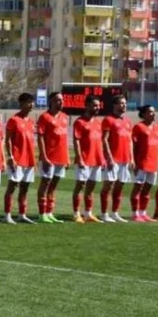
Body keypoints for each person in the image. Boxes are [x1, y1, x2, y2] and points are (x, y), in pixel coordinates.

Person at [3, 92, 37, 225]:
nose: (32, 104)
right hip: (17, 159)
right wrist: (10, 156)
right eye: (29, 102)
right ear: (21, 104)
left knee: (25, 188)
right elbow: (8, 140)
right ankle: (7, 215)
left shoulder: (31, 121)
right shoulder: (13, 120)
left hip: (29, 160)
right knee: (12, 187)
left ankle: (22, 214)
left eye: (32, 102)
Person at [70, 95, 105, 224]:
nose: (97, 108)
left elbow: (99, 142)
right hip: (84, 159)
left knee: (91, 187)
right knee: (80, 186)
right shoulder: (79, 122)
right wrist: (79, 157)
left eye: (98, 105)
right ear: (87, 105)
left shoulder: (98, 122)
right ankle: (76, 213)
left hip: (96, 160)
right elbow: (76, 141)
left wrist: (102, 158)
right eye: (95, 105)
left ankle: (88, 213)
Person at [36, 91, 70, 223]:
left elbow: (64, 139)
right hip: (49, 158)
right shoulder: (44, 117)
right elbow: (40, 138)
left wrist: (67, 158)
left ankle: (49, 212)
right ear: (51, 102)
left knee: (54, 186)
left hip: (61, 158)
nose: (60, 102)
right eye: (57, 100)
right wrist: (44, 157)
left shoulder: (64, 117)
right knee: (45, 184)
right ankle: (41, 213)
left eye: (62, 100)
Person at [100, 95, 133, 223]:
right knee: (108, 186)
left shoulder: (127, 122)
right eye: (121, 103)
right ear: (114, 105)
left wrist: (132, 158)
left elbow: (130, 141)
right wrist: (109, 158)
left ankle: (115, 213)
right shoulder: (108, 120)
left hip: (124, 159)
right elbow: (104, 140)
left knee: (120, 187)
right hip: (113, 159)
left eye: (125, 103)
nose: (123, 105)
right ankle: (104, 214)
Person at [130, 105, 158, 223]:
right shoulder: (139, 127)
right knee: (137, 188)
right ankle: (135, 213)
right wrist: (134, 161)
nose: (153, 114)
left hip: (153, 163)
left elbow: (157, 146)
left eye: (154, 112)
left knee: (147, 189)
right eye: (150, 112)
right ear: (143, 114)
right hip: (142, 163)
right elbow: (133, 145)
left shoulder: (157, 128)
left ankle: (143, 213)